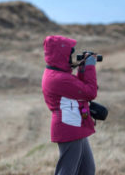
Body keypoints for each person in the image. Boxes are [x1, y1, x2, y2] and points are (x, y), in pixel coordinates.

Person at [41, 35, 98, 175]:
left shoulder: (56, 74)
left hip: (74, 124)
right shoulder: (59, 78)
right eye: (69, 54)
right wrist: (90, 67)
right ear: (60, 55)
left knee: (87, 170)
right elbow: (90, 92)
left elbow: (78, 88)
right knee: (67, 171)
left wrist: (82, 69)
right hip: (69, 127)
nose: (71, 57)